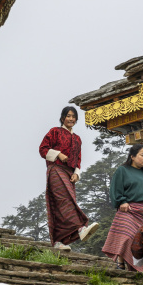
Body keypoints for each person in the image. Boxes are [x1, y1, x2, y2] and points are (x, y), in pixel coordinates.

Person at [39, 106, 99, 251]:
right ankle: (80, 228)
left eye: (73, 116)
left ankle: (59, 241)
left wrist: (77, 173)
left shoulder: (77, 139)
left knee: (62, 205)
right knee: (66, 200)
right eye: (68, 116)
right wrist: (58, 154)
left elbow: (78, 159)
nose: (71, 119)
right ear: (62, 118)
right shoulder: (55, 132)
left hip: (69, 174)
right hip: (55, 169)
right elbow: (42, 149)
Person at [102, 144, 143, 271]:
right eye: (142, 155)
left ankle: (136, 267)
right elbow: (115, 188)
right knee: (127, 236)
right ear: (132, 156)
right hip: (128, 209)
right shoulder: (122, 170)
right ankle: (120, 260)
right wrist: (122, 201)